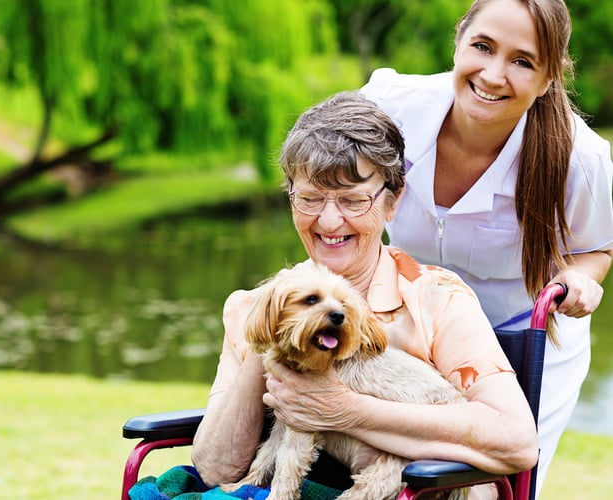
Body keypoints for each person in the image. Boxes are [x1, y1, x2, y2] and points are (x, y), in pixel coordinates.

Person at [188, 91, 538, 500]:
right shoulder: (253, 306)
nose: (330, 220)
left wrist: (345, 409)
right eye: (310, 198)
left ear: (393, 202)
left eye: (353, 200)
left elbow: (517, 441)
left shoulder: (437, 299)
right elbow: (215, 469)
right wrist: (270, 339)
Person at [358, 0, 613, 494]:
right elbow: (329, 171)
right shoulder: (391, 105)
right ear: (458, 42)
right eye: (482, 47)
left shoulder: (580, 159)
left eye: (522, 61)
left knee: (494, 485)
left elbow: (597, 247)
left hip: (519, 343)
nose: (493, 75)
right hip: (409, 329)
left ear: (549, 78)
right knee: (387, 473)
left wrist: (578, 280)